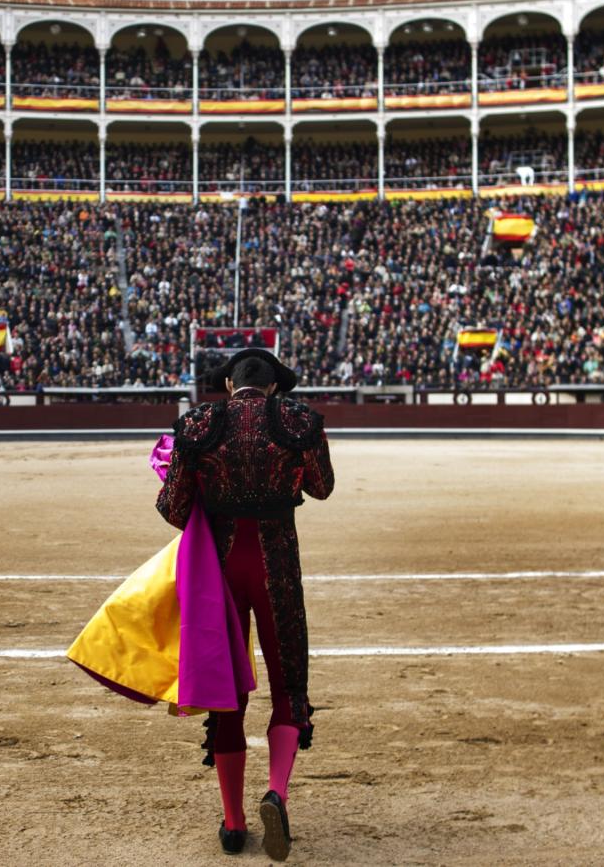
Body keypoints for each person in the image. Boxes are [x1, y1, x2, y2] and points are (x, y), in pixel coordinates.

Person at [156, 348, 334, 860]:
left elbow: (174, 510)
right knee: (288, 684)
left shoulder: (198, 423)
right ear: (275, 388)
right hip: (276, 564)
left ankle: (233, 824)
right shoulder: (301, 420)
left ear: (230, 387)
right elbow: (322, 488)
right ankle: (276, 790)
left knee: (225, 689)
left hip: (221, 572)